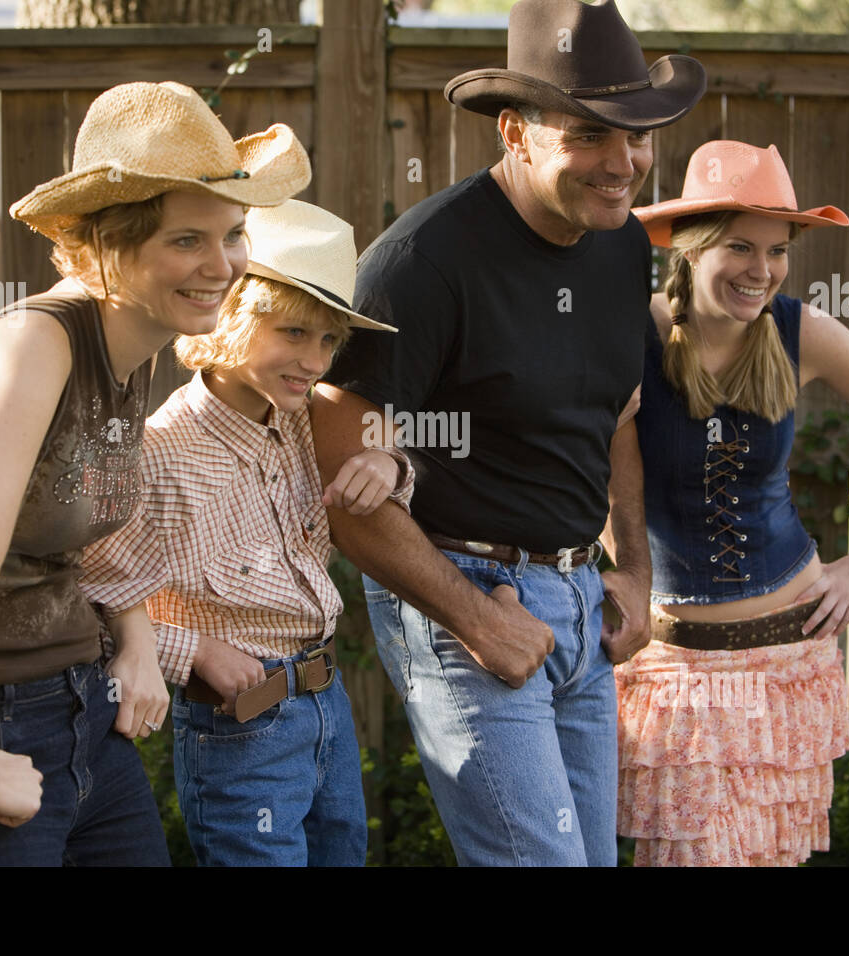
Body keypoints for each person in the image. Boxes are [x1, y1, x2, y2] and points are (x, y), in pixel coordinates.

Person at [0, 81, 310, 866]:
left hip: (81, 708)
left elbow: (73, 538)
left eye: (232, 234)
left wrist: (134, 640)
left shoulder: (136, 350)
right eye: (186, 241)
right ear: (107, 244)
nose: (223, 265)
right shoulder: (33, 350)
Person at [311, 0, 705, 865]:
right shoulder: (423, 264)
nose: (623, 161)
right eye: (590, 134)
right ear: (514, 130)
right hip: (464, 600)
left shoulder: (621, 245)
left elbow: (621, 417)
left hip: (580, 600)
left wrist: (634, 569)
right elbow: (337, 484)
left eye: (636, 134)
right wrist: (474, 620)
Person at [614, 139, 849, 865]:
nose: (762, 270)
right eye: (740, 246)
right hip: (675, 670)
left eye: (779, 250)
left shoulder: (801, 332)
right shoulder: (628, 333)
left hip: (790, 658)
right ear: (694, 246)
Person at [78, 200, 413, 866]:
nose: (314, 361)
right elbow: (90, 590)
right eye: (293, 333)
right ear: (231, 313)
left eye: (328, 340)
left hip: (325, 704)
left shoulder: (300, 421)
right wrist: (193, 650)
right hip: (242, 724)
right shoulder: (161, 453)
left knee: (342, 853)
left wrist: (387, 463)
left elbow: (393, 458)